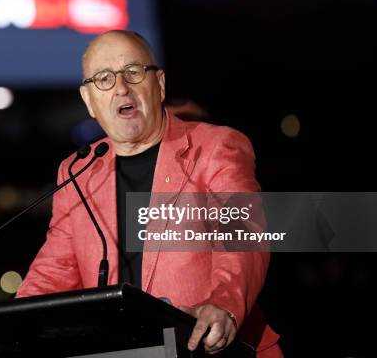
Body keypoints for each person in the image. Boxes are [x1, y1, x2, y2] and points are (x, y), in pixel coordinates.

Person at [16, 30, 282, 357]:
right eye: (104, 79)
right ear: (88, 101)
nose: (120, 88)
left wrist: (222, 306)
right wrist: (9, 331)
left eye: (133, 72)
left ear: (160, 85)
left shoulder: (215, 148)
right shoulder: (78, 172)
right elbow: (53, 272)